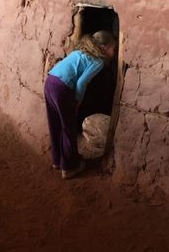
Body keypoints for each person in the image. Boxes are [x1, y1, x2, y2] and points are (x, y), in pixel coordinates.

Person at [44, 30, 116, 179]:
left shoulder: (80, 52)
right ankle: (69, 167)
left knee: (55, 124)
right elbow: (82, 82)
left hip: (50, 81)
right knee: (68, 127)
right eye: (113, 49)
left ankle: (58, 161)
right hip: (62, 88)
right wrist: (77, 102)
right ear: (104, 47)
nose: (114, 53)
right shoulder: (98, 61)